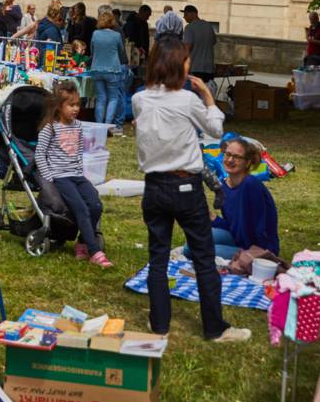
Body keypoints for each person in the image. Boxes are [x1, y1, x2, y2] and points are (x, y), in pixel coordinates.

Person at [132, 35, 251, 343]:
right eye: (186, 59)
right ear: (176, 65)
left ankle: (160, 324)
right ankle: (214, 328)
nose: (190, 64)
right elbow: (216, 130)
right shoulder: (187, 100)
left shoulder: (140, 98)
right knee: (203, 255)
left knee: (158, 255)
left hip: (154, 187)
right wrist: (209, 99)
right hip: (184, 186)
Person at [35, 81, 112, 268]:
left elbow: (78, 152)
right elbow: (40, 154)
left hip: (77, 175)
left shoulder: (78, 126)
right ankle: (94, 252)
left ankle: (82, 243)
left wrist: (80, 171)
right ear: (59, 107)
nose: (76, 109)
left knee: (95, 205)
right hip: (60, 177)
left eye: (78, 104)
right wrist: (49, 177)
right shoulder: (50, 128)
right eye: (71, 105)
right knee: (81, 210)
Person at [206, 136, 280, 258]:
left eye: (236, 157)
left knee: (203, 250)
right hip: (237, 240)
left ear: (248, 162)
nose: (230, 160)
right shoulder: (224, 187)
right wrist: (212, 217)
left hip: (258, 249)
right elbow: (232, 226)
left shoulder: (251, 185)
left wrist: (263, 257)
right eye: (227, 154)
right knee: (192, 246)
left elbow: (260, 228)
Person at [89, 9, 129, 129]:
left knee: (101, 98)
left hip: (97, 69)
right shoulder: (116, 35)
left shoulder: (95, 34)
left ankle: (99, 124)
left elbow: (92, 50)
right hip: (113, 70)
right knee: (113, 98)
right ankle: (108, 124)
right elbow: (121, 51)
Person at [182, 5, 217, 83]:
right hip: (209, 68)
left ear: (193, 14)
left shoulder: (189, 27)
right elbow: (214, 41)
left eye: (186, 14)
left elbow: (187, 48)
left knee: (194, 94)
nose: (184, 17)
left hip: (195, 68)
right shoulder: (209, 26)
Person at [123, 4, 152, 74]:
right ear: (141, 13)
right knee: (133, 72)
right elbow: (130, 39)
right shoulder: (130, 23)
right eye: (147, 15)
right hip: (133, 53)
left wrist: (146, 53)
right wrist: (139, 47)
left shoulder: (144, 24)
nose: (148, 18)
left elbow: (146, 39)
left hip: (142, 54)